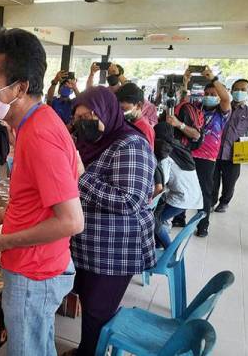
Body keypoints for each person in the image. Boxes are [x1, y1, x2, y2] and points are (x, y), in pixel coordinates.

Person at [0, 28, 84, 356]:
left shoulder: (39, 134)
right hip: (42, 265)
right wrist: (2, 214)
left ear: (19, 87)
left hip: (34, 273)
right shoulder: (39, 121)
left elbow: (72, 221)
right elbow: (61, 182)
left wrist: (1, 241)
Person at [70, 86, 156, 356]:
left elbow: (130, 201)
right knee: (89, 303)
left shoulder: (131, 144)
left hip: (115, 249)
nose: (84, 123)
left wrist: (80, 177)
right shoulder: (91, 143)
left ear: (107, 111)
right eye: (79, 117)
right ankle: (86, 350)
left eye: (90, 116)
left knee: (98, 311)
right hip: (88, 245)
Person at [212, 78, 248, 214]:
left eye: (243, 90)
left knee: (229, 183)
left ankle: (224, 203)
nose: (239, 92)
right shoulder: (221, 107)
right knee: (212, 181)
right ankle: (210, 202)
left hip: (233, 156)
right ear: (231, 91)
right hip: (214, 153)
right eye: (236, 89)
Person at [189, 68, 232, 236]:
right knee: (182, 187)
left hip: (207, 157)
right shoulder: (197, 108)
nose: (209, 96)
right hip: (189, 153)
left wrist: (214, 79)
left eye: (213, 94)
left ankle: (203, 225)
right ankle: (178, 218)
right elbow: (183, 102)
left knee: (205, 192)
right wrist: (186, 81)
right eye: (206, 93)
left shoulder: (222, 113)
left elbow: (226, 98)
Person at [153, 122, 203, 248]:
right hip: (193, 194)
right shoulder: (178, 146)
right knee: (158, 219)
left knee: (153, 220)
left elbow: (162, 183)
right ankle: (159, 247)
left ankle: (168, 250)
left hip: (182, 197)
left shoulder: (165, 154)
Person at [116, 82, 155, 149]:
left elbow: (147, 156)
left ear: (138, 105)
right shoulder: (126, 123)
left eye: (124, 109)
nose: (121, 113)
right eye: (119, 109)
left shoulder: (146, 129)